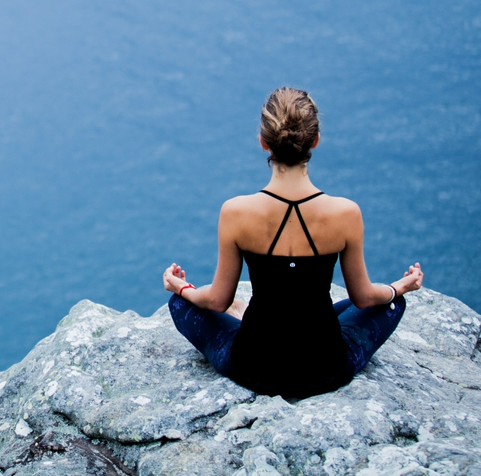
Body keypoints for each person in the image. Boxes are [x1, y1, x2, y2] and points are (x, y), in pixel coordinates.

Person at [163, 87, 424, 398]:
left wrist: (182, 288)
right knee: (387, 304)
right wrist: (399, 288)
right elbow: (365, 297)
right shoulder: (345, 213)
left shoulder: (235, 212)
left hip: (252, 367)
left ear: (263, 143)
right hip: (326, 369)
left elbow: (218, 301)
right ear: (315, 141)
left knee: (181, 304)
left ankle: (242, 313)